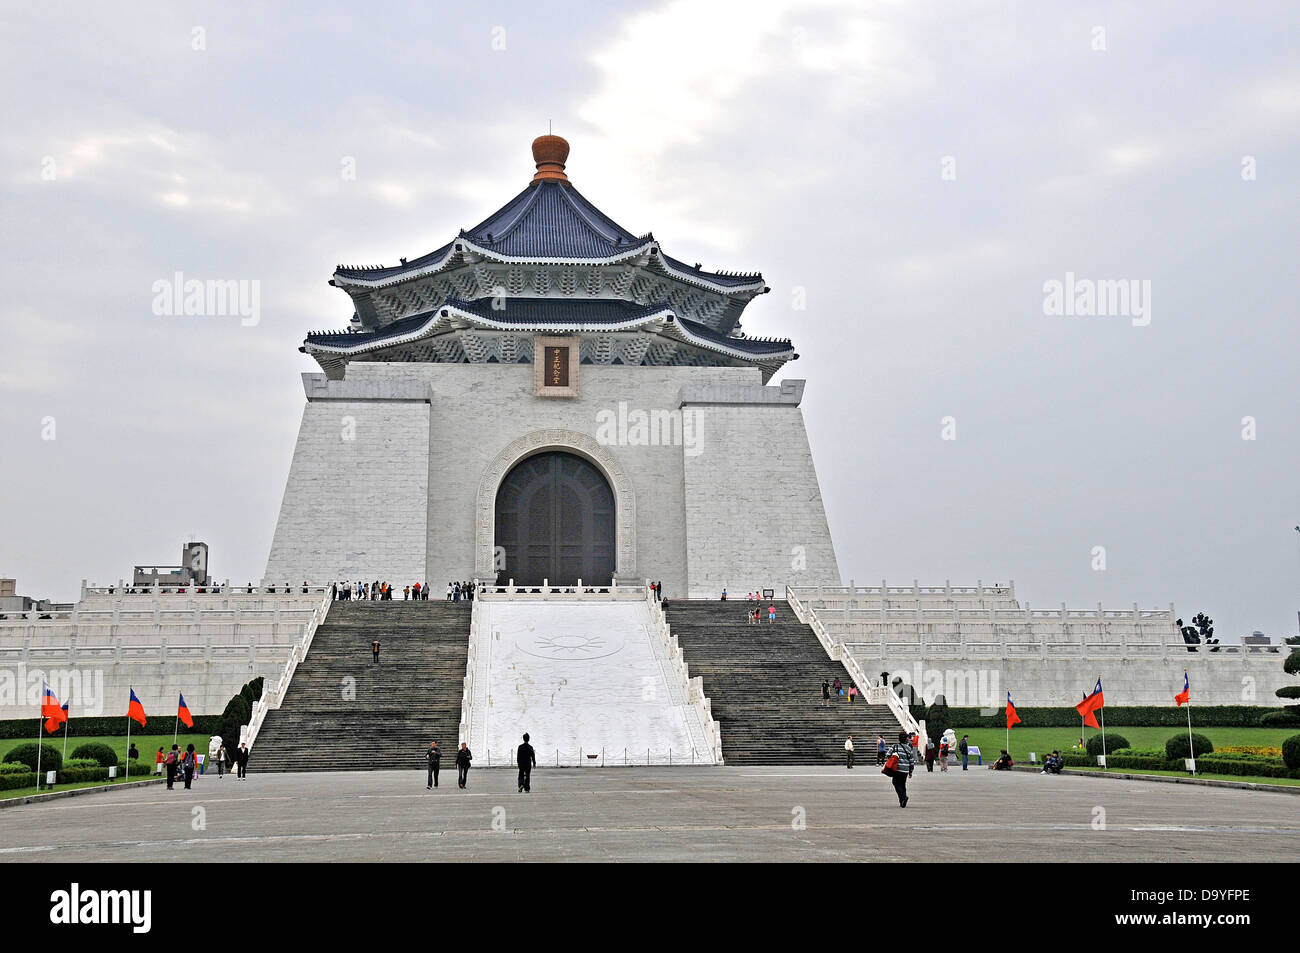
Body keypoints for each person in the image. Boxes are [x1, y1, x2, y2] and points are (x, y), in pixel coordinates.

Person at [884, 730, 918, 807]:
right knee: (902, 784)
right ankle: (902, 801)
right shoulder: (909, 748)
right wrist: (910, 771)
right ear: (906, 739)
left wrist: (894, 757)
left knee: (895, 783)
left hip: (897, 769)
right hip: (905, 770)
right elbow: (911, 761)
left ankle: (903, 797)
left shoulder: (894, 746)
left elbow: (888, 755)